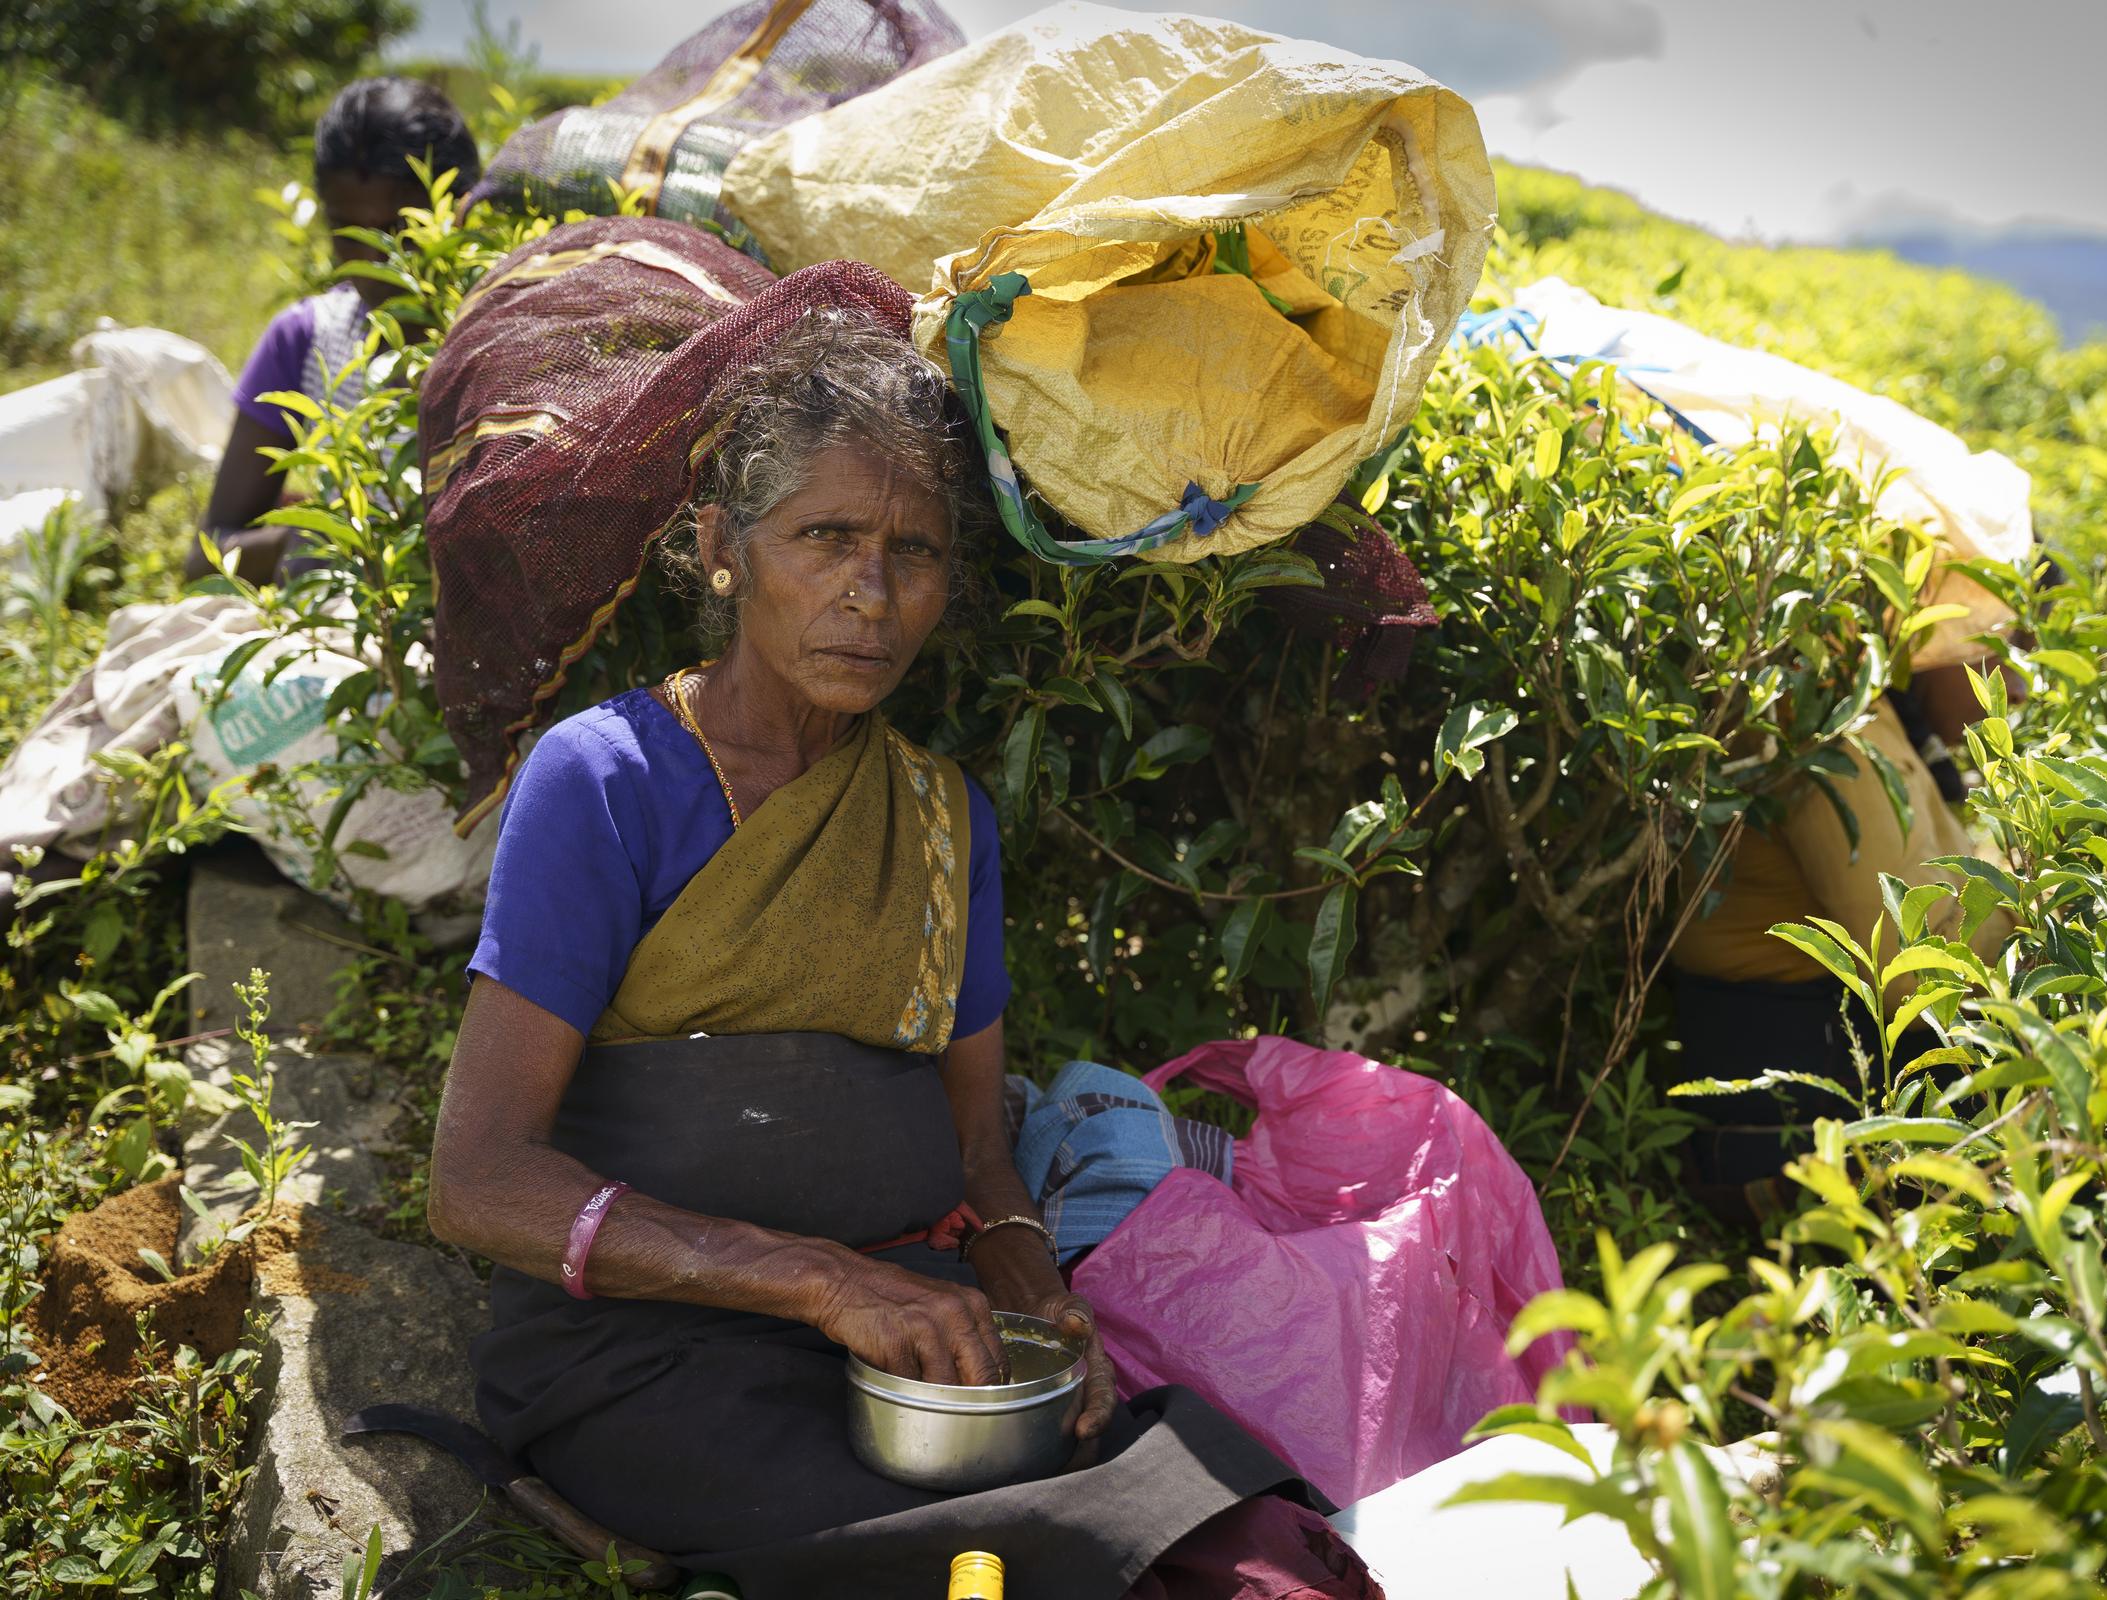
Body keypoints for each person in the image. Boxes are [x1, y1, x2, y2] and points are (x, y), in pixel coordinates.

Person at [425, 281, 1378, 1599]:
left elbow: (980, 1149)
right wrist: (815, 1280)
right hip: (652, 1354)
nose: (870, 593)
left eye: (914, 552)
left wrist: (1033, 1292)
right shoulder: (606, 781)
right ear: (721, 548)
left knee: (1243, 1537)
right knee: (1018, 1561)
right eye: (825, 536)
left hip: (916, 1336)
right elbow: (477, 1182)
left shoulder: (942, 818)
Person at [1668, 665, 2015, 1224]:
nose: (2017, 682)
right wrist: (2036, 906)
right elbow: (1914, 977)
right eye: (2000, 640)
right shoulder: (1827, 721)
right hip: (1793, 1142)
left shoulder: (1867, 705)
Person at [188, 77, 479, 583]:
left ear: (461, 212)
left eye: (401, 233)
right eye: (350, 234)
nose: (375, 263)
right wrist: (312, 540)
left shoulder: (499, 338)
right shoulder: (306, 339)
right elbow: (205, 558)